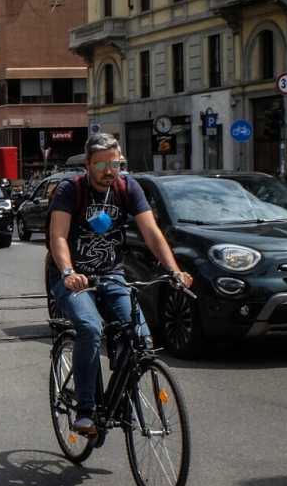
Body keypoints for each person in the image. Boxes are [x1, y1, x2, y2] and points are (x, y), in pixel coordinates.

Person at [47, 133, 193, 437]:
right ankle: (85, 410)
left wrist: (175, 270)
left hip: (110, 274)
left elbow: (151, 232)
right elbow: (58, 236)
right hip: (72, 277)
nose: (109, 170)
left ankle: (120, 393)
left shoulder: (128, 187)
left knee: (141, 337)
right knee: (89, 328)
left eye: (115, 163)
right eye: (101, 164)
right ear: (88, 164)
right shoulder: (70, 190)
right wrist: (68, 272)